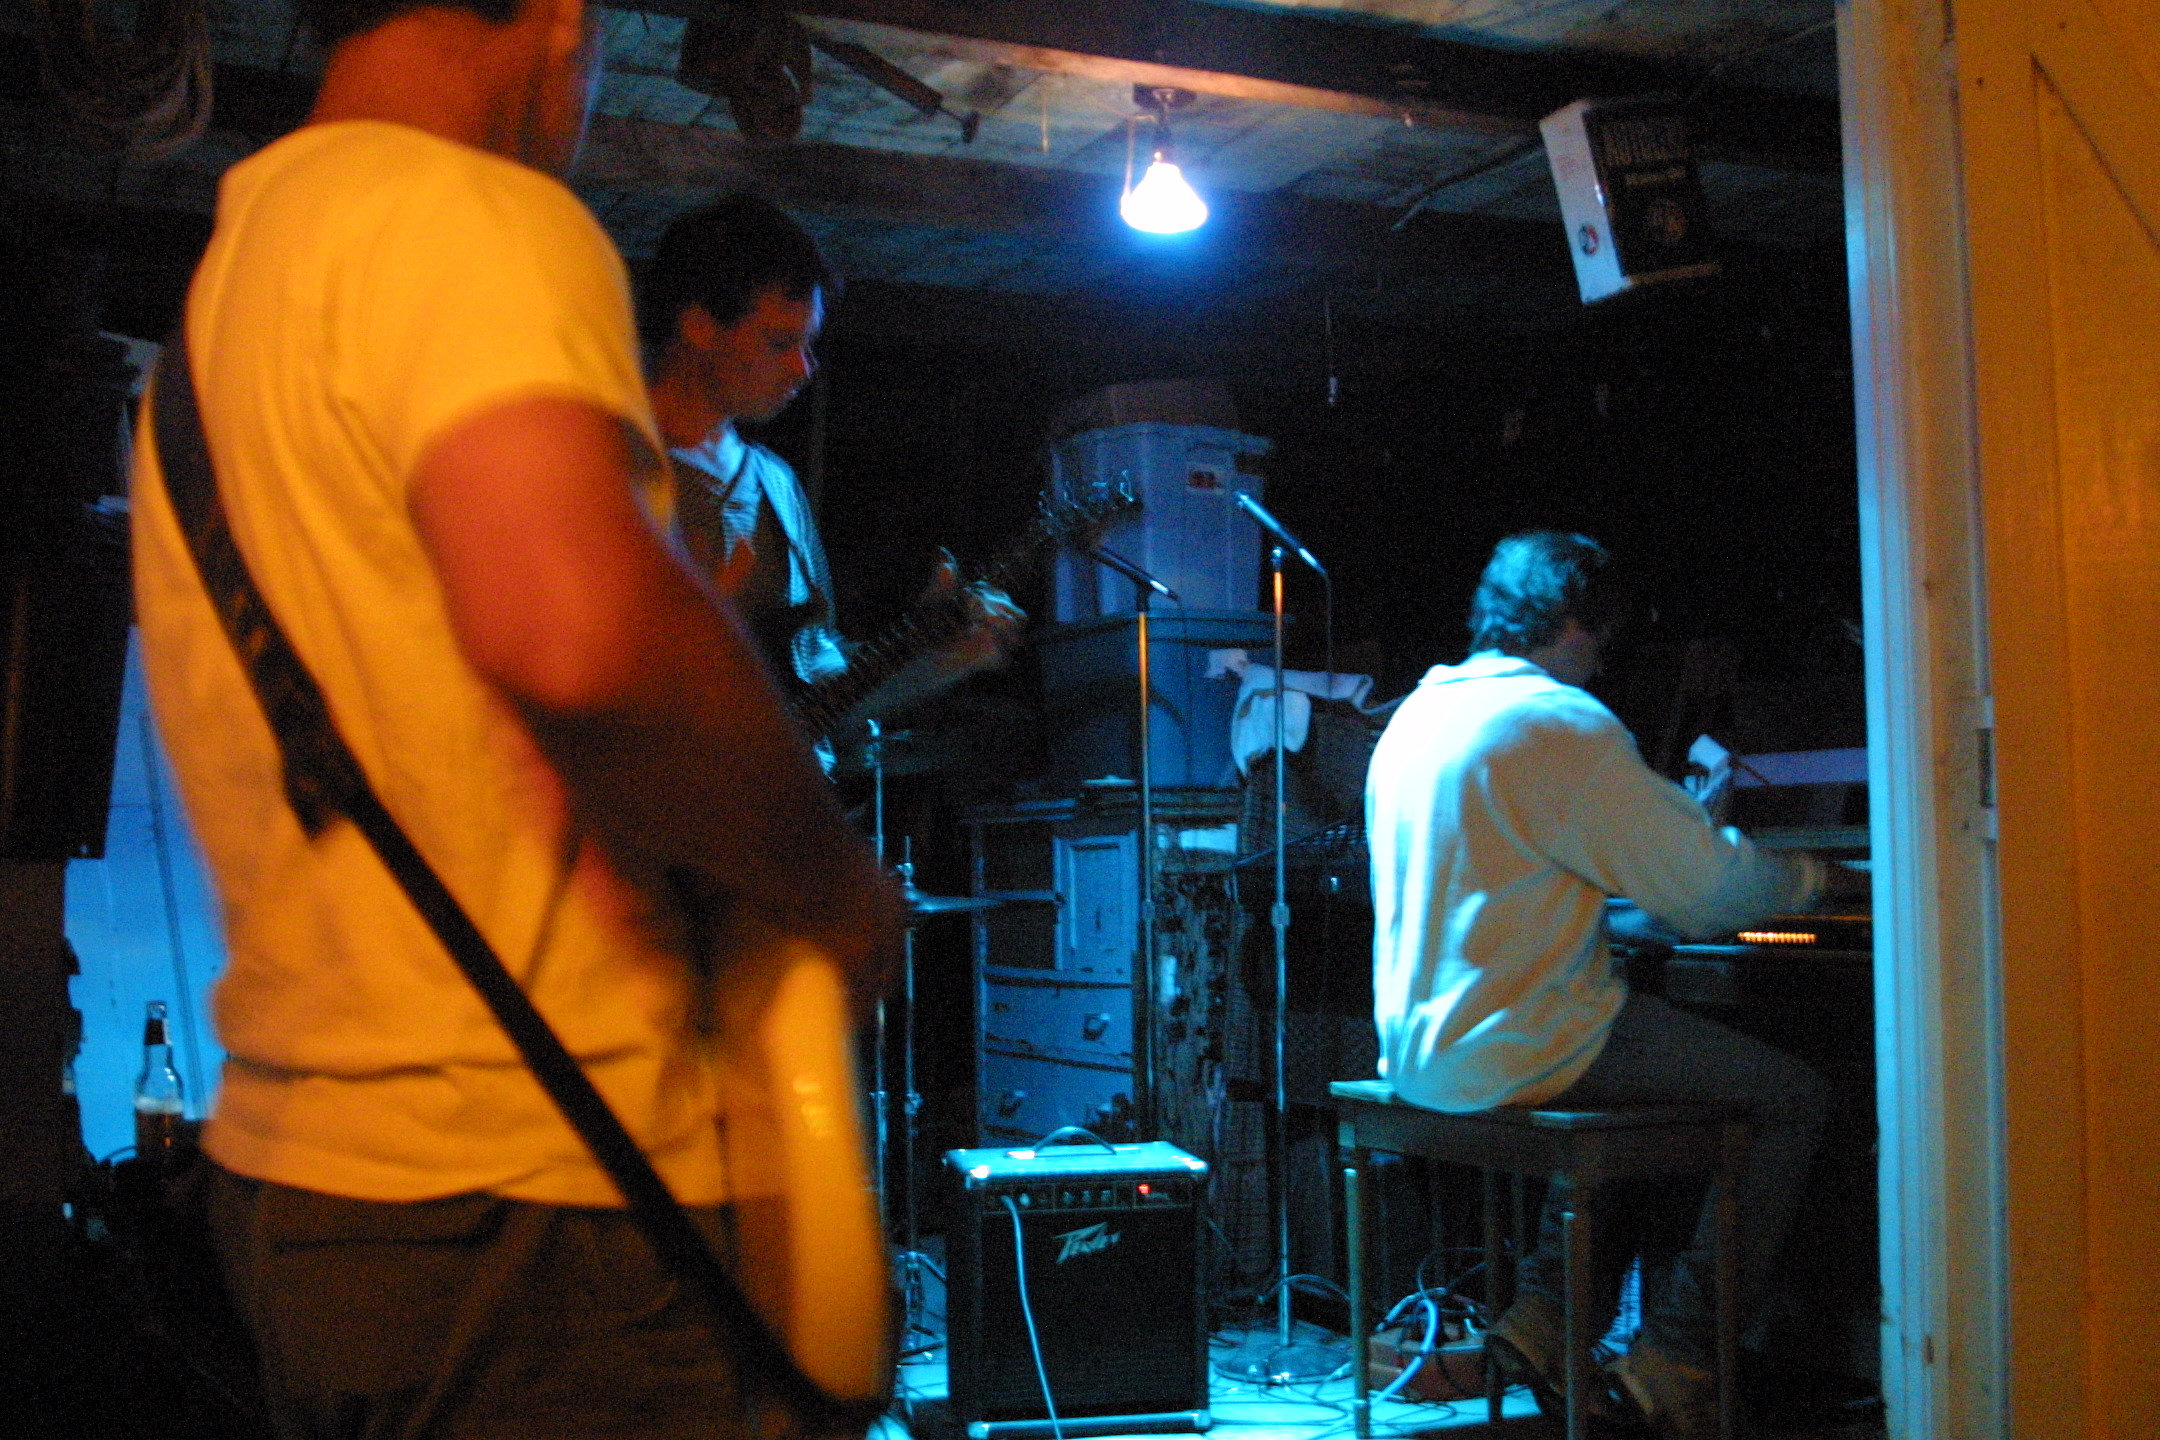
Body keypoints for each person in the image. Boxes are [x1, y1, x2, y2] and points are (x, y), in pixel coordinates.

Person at [129, 0, 903, 1435]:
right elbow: (586, 640)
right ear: (557, 20)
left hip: (315, 1197)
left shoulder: (218, 310)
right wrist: (836, 890)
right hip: (542, 1213)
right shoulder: (469, 214)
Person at [1364, 531, 1856, 1439]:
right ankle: (1678, 1359)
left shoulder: (1419, 718)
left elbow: (1511, 891)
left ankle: (1544, 1324)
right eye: (1602, 642)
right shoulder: (1556, 722)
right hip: (1518, 1046)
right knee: (1794, 1096)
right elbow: (1707, 891)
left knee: (1636, 1050)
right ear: (1573, 625)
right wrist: (1818, 879)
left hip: (1422, 1050)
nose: (1603, 665)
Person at [640, 195, 1023, 748]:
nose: (803, 369)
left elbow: (823, 691)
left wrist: (949, 657)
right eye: (780, 342)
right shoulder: (603, 462)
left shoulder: (776, 484)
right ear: (699, 325)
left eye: (809, 344)